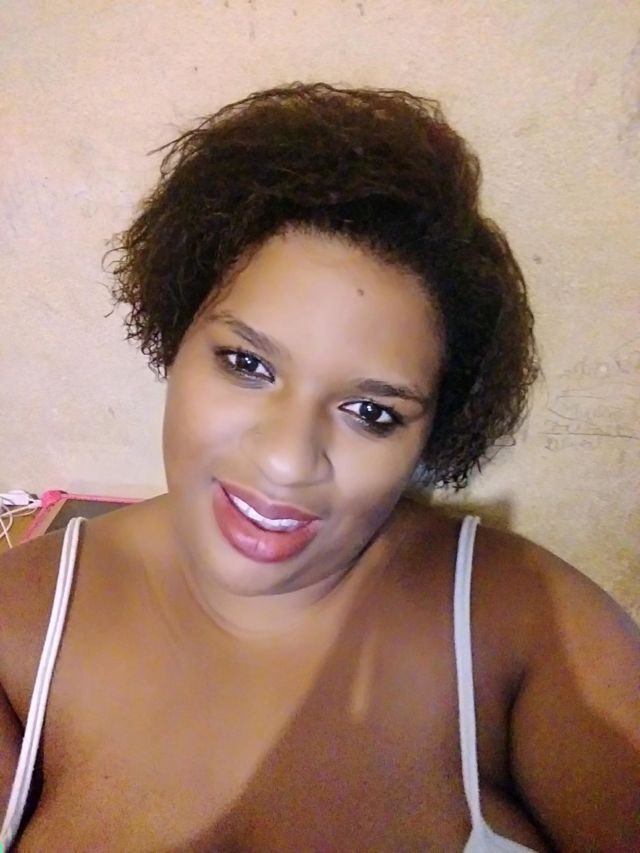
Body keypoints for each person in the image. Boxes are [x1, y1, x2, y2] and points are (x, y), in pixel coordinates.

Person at [1, 82, 638, 851]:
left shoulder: (534, 630)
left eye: (370, 410)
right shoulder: (17, 625)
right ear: (177, 330)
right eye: (247, 363)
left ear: (433, 430)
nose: (285, 458)